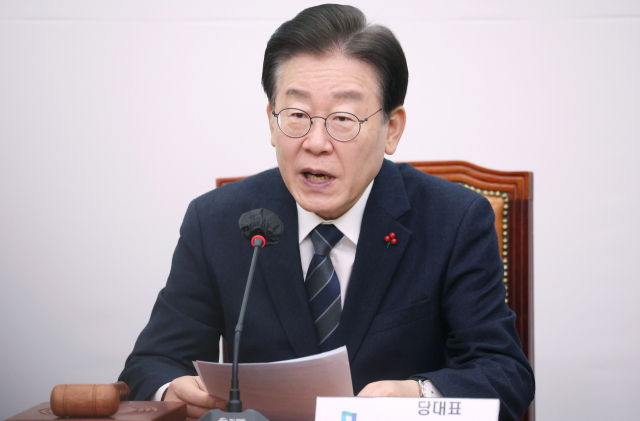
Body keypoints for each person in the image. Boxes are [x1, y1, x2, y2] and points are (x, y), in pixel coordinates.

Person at [119, 4, 535, 421]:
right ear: (271, 121)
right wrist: (172, 390)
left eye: (343, 118)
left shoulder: (454, 220)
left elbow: (504, 374)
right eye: (297, 115)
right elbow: (150, 364)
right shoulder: (217, 222)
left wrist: (418, 396)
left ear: (391, 129)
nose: (316, 143)